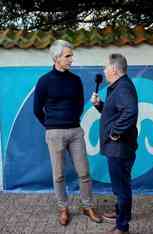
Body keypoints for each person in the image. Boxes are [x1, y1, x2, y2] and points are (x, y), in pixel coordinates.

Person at [33, 39, 102, 225]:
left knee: (84, 172)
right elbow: (37, 110)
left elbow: (79, 104)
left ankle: (87, 206)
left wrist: (71, 121)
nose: (72, 59)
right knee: (59, 175)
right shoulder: (44, 81)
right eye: (68, 56)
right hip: (54, 133)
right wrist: (50, 126)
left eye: (71, 55)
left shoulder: (75, 80)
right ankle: (63, 208)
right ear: (57, 58)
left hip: (75, 131)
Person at [90, 53, 138, 234]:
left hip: (120, 148)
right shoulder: (117, 86)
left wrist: (115, 132)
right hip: (117, 147)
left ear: (114, 69)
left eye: (106, 67)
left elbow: (130, 111)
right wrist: (99, 104)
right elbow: (114, 113)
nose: (104, 70)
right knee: (122, 185)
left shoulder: (123, 87)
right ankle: (121, 213)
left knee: (121, 188)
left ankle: (122, 227)